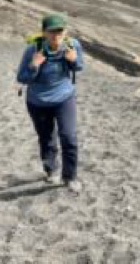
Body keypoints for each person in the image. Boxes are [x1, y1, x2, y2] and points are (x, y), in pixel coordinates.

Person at [16, 13, 85, 193]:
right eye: (51, 31)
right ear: (44, 32)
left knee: (69, 137)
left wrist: (74, 60)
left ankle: (70, 177)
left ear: (65, 31)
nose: (56, 35)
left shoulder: (73, 45)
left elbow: (79, 67)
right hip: (37, 102)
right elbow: (22, 77)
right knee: (47, 139)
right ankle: (51, 170)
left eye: (59, 31)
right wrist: (34, 65)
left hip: (64, 98)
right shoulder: (33, 50)